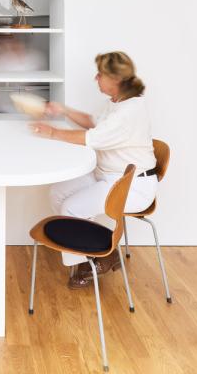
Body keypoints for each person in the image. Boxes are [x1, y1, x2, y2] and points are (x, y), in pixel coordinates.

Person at [30, 51, 158, 289]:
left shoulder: (129, 112)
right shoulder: (118, 102)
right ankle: (100, 254)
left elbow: (92, 137)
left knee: (71, 207)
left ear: (116, 79)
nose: (96, 78)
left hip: (132, 186)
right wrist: (64, 111)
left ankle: (91, 262)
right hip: (108, 176)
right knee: (58, 193)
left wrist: (53, 133)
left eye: (100, 74)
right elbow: (95, 122)